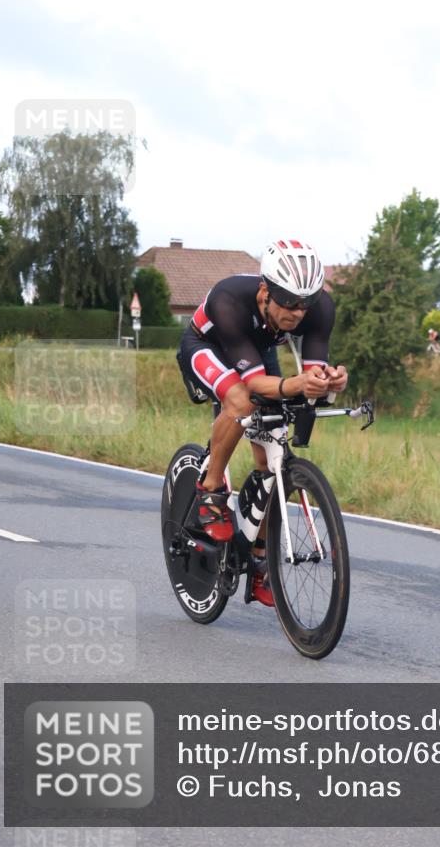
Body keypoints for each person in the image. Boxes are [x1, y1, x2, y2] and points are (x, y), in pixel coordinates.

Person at [177, 238, 348, 606]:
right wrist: (295, 383)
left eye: (306, 304)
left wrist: (329, 382)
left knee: (267, 463)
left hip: (257, 350)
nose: (297, 313)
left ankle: (257, 557)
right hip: (207, 346)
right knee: (240, 400)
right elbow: (253, 385)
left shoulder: (316, 309)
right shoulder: (229, 299)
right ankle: (210, 492)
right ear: (265, 290)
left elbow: (310, 383)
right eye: (287, 302)